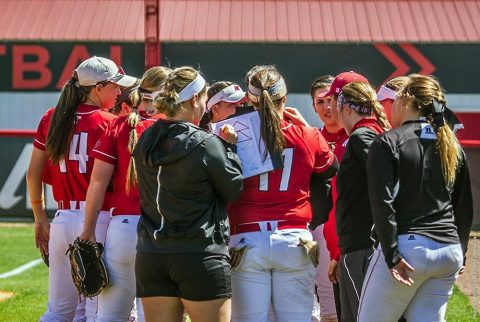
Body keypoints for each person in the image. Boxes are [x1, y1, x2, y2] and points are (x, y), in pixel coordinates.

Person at [26, 56, 137, 322]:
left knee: (58, 311)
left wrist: (40, 218)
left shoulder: (53, 117)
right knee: (97, 312)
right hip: (98, 221)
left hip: (62, 220)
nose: (119, 91)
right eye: (114, 85)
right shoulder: (109, 123)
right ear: (97, 88)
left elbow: (33, 175)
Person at [358, 74, 473, 322]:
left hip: (408, 249)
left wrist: (391, 254)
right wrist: (461, 251)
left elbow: (382, 203)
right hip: (449, 250)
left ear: (406, 100)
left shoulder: (388, 141)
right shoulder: (451, 143)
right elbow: (463, 207)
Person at [228, 66, 338, 322]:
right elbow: (330, 168)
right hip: (294, 238)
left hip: (248, 237)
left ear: (249, 98)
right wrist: (303, 127)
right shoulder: (307, 134)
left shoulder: (233, 136)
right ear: (284, 98)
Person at [133, 66, 243, 322]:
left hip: (151, 255)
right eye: (204, 99)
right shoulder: (207, 144)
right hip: (199, 254)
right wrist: (230, 148)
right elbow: (233, 189)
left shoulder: (145, 138)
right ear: (194, 99)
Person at [79, 66, 171, 322]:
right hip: (161, 230)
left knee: (108, 316)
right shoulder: (180, 130)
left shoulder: (121, 125)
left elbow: (97, 184)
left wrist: (88, 232)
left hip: (122, 229)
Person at [331, 80, 391, 322]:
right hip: (365, 243)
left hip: (362, 245)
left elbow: (383, 175)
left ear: (347, 108)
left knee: (360, 317)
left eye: (335, 104)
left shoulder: (362, 135)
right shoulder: (376, 131)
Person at [309, 74, 348, 322]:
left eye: (331, 100)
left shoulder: (357, 137)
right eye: (320, 102)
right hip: (312, 228)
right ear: (313, 106)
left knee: (337, 305)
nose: (327, 107)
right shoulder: (310, 137)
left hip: (345, 230)